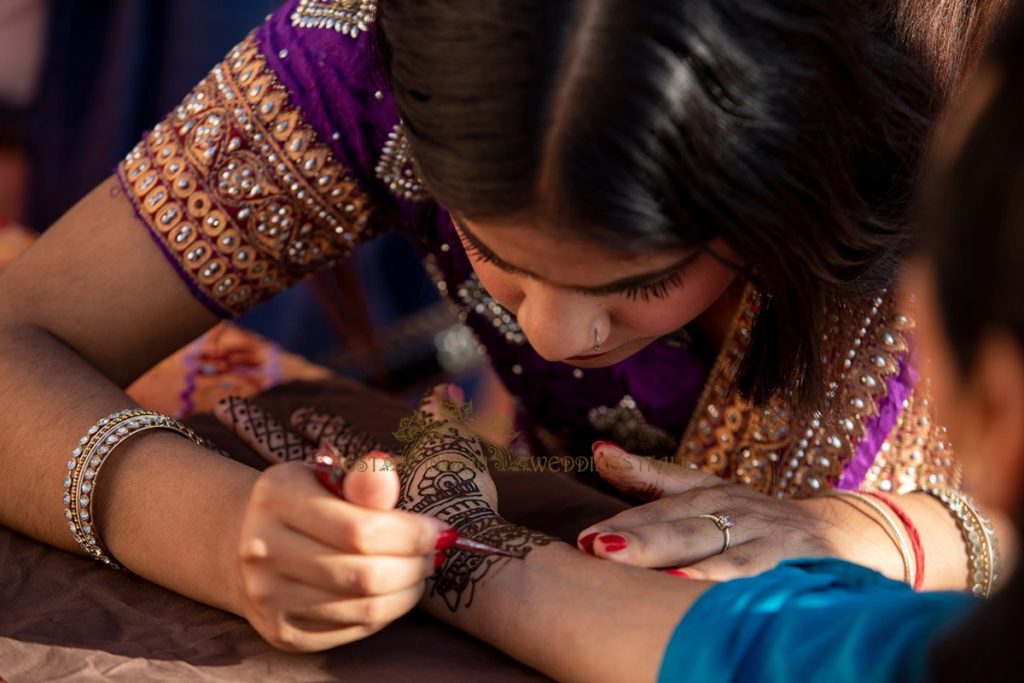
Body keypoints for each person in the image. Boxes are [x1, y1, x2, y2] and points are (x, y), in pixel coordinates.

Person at [0, 0, 1007, 651]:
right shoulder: (363, 66)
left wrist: (894, 533)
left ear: (796, 173)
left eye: (643, 277)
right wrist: (216, 528)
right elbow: (17, 339)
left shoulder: (977, 135)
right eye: (497, 260)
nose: (560, 337)